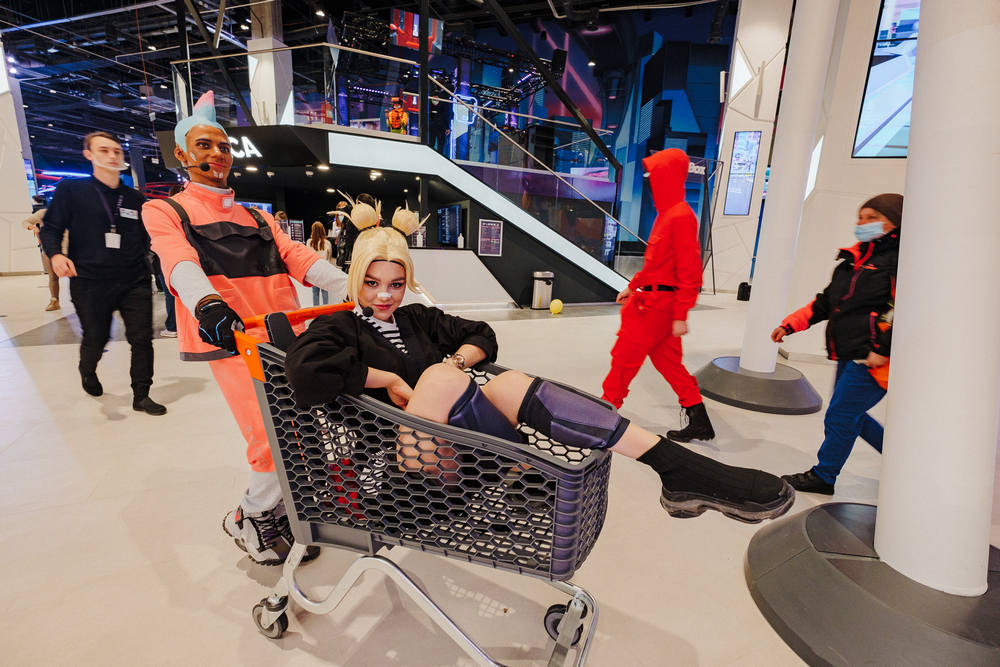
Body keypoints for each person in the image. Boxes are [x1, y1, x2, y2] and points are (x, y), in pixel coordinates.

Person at [284, 206, 795, 524]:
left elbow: (482, 335)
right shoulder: (337, 328)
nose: (384, 295)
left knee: (503, 382)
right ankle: (525, 470)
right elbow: (303, 372)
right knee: (441, 378)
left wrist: (456, 362)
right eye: (372, 283)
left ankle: (676, 467)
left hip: (466, 458)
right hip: (410, 482)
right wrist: (390, 378)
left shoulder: (418, 318)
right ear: (355, 278)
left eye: (396, 284)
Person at [142, 91, 348, 566]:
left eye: (223, 145)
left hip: (286, 335)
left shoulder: (257, 216)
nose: (217, 153)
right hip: (234, 340)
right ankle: (249, 518)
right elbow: (179, 261)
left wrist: (356, 285)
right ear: (182, 155)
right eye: (204, 145)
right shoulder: (167, 211)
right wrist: (208, 304)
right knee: (269, 436)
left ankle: (287, 511)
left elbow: (301, 259)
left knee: (299, 429)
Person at [772, 194, 902, 495]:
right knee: (849, 414)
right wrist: (790, 324)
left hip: (873, 357)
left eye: (872, 217)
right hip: (849, 351)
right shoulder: (853, 259)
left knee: (841, 415)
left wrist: (882, 349)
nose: (863, 223)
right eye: (861, 217)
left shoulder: (900, 261)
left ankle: (824, 476)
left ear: (896, 221)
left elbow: (904, 310)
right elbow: (827, 302)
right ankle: (904, 459)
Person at [39, 132, 165, 416]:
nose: (112, 155)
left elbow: (146, 236)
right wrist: (56, 254)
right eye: (104, 150)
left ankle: (142, 395)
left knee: (142, 338)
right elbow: (51, 228)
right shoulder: (72, 190)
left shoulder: (134, 198)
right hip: (90, 281)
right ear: (89, 154)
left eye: (116, 151)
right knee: (96, 337)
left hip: (134, 279)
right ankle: (87, 370)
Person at [600, 148, 714, 443]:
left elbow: (690, 271)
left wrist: (681, 314)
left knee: (624, 359)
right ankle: (699, 419)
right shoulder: (667, 215)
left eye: (655, 175)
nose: (651, 181)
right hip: (653, 303)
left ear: (669, 176)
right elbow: (655, 265)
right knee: (669, 365)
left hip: (655, 309)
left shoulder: (680, 216)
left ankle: (602, 416)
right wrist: (634, 285)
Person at [22, 194, 62, 311]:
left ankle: (81, 300)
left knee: (77, 276)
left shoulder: (71, 213)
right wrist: (33, 227)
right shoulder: (43, 213)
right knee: (53, 276)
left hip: (70, 249)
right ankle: (54, 301)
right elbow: (25, 222)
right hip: (49, 249)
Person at [335, 192, 375, 272]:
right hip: (365, 254)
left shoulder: (355, 218)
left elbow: (350, 241)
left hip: (354, 254)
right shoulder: (373, 218)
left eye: (357, 203)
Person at [307, 221, 333, 306]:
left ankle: (316, 311)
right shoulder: (327, 243)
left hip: (313, 270)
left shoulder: (309, 242)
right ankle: (326, 310)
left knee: (315, 293)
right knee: (325, 292)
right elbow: (329, 257)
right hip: (324, 270)